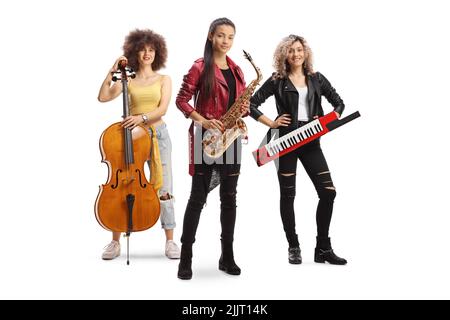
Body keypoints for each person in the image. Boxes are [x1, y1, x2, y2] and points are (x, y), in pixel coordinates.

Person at [249, 34, 347, 265]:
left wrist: (324, 119)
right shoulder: (276, 80)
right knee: (288, 195)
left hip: (311, 141)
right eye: (291, 50)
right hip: (286, 142)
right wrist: (271, 123)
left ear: (306, 52)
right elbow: (251, 104)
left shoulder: (316, 78)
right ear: (284, 54)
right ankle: (293, 246)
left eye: (299, 50)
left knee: (328, 192)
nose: (296, 54)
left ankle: (323, 247)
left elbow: (339, 103)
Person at [175, 17, 249, 279]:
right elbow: (181, 100)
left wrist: (243, 112)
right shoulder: (199, 67)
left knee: (229, 199)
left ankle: (226, 256)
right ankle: (186, 257)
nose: (225, 41)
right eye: (220, 35)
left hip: (230, 140)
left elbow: (241, 104)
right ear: (210, 36)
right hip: (205, 138)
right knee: (197, 198)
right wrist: (204, 120)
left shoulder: (238, 70)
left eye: (230, 37)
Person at [97, 29, 180, 260]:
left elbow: (162, 109)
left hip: (158, 135)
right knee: (122, 184)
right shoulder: (128, 79)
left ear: (157, 53)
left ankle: (170, 240)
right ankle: (115, 242)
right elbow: (103, 97)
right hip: (131, 136)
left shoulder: (164, 79)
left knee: (165, 187)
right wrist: (112, 70)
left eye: (151, 50)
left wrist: (141, 118)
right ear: (135, 51)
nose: (147, 53)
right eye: (143, 49)